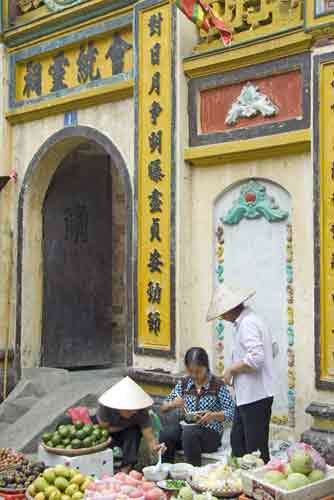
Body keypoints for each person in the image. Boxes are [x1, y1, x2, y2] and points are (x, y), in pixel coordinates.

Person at [207, 284, 275, 463]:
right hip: (247, 395)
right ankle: (241, 487)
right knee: (238, 445)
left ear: (231, 308)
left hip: (256, 396)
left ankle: (258, 487)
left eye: (223, 313)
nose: (222, 317)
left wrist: (232, 369)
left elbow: (257, 357)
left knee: (255, 453)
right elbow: (271, 349)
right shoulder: (249, 321)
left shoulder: (248, 323)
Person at [159, 347, 235, 466]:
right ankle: (166, 470)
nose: (194, 375)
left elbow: (232, 412)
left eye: (198, 371)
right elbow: (163, 407)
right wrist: (173, 404)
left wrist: (213, 416)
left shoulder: (217, 385)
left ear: (206, 367)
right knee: (166, 433)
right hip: (186, 432)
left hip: (210, 435)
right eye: (190, 371)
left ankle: (194, 474)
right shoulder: (184, 384)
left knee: (190, 433)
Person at [97, 376, 163, 473]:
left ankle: (126, 468)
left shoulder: (141, 412)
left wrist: (156, 448)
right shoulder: (105, 407)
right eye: (130, 409)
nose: (134, 412)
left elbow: (149, 436)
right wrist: (125, 425)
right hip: (109, 430)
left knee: (133, 432)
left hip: (129, 431)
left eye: (135, 409)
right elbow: (104, 429)